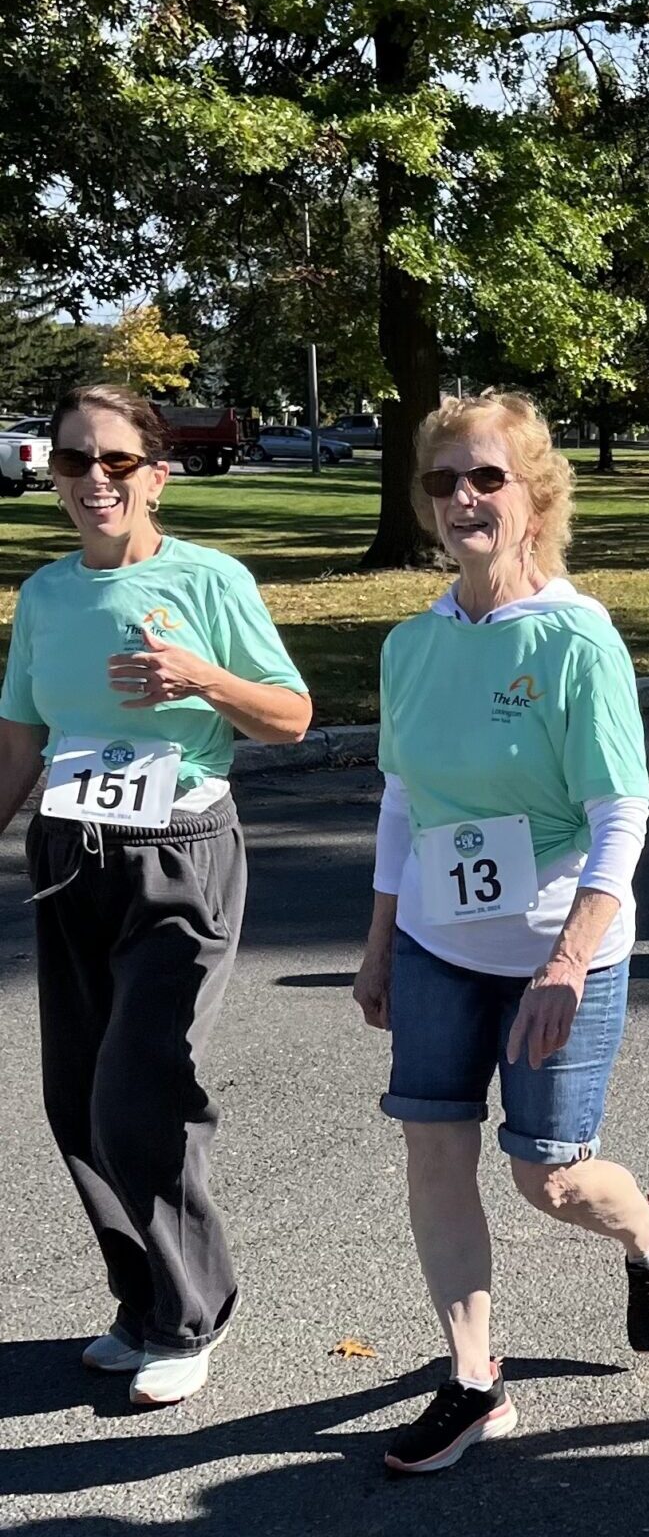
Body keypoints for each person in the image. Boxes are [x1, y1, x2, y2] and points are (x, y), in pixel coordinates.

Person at [351, 392, 649, 1476]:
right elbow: (403, 804)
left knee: (545, 1173)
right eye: (444, 479)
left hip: (563, 950)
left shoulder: (574, 639)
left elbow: (620, 814)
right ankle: (472, 1379)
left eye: (486, 476)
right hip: (440, 946)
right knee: (433, 1150)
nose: (462, 496)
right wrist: (378, 941)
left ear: (535, 496)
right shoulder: (412, 643)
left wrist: (566, 959)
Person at [0, 383, 311, 1406]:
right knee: (76, 1099)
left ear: (156, 473)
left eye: (117, 460)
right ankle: (140, 1304)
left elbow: (292, 716)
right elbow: (19, 740)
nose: (95, 478)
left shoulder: (209, 578)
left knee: (142, 1086)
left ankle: (190, 1314)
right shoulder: (45, 595)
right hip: (67, 853)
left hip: (180, 851)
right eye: (74, 460)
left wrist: (200, 678)